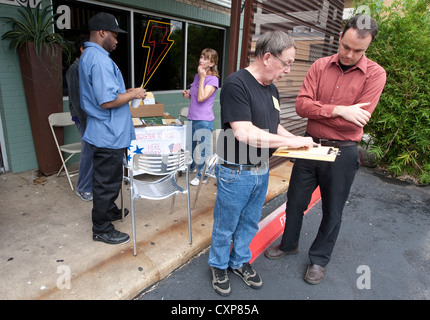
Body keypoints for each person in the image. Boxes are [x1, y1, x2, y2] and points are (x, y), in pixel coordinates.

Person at [264, 15, 387, 285]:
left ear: (368, 47)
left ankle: (319, 259)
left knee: (333, 209)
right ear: (340, 37)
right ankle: (289, 244)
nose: (349, 54)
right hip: (310, 145)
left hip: (344, 151)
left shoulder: (376, 74)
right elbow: (301, 106)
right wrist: (340, 110)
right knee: (295, 200)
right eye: (346, 46)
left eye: (358, 51)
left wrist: (323, 112)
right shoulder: (320, 66)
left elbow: (358, 119)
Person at [208, 31, 314, 296]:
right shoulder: (237, 83)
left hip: (261, 169)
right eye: (286, 63)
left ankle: (239, 261)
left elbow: (272, 124)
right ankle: (218, 265)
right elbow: (243, 132)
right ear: (268, 57)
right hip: (236, 171)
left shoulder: (272, 88)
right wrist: (290, 143)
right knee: (226, 223)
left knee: (250, 222)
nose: (288, 70)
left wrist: (299, 140)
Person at [79, 12, 146, 245]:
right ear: (102, 33)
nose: (117, 40)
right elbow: (106, 101)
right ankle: (101, 228)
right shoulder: (99, 60)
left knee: (110, 179)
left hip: (107, 132)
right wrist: (134, 94)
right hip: (107, 134)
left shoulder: (91, 56)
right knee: (106, 183)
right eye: (115, 35)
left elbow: (107, 95)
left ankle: (108, 212)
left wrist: (127, 93)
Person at [182, 48, 219, 186]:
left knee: (204, 150)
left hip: (204, 120)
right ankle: (191, 167)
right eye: (201, 56)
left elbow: (203, 97)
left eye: (205, 58)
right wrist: (189, 95)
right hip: (192, 116)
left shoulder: (213, 80)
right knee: (190, 145)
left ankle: (202, 175)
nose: (201, 60)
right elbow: (197, 96)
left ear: (212, 63)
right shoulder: (197, 76)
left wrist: (203, 77)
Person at [65, 34, 93, 201]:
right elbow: (76, 101)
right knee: (88, 151)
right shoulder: (75, 69)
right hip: (82, 118)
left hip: (89, 117)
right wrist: (87, 122)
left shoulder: (85, 67)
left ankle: (90, 184)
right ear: (82, 49)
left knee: (93, 150)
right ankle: (83, 188)